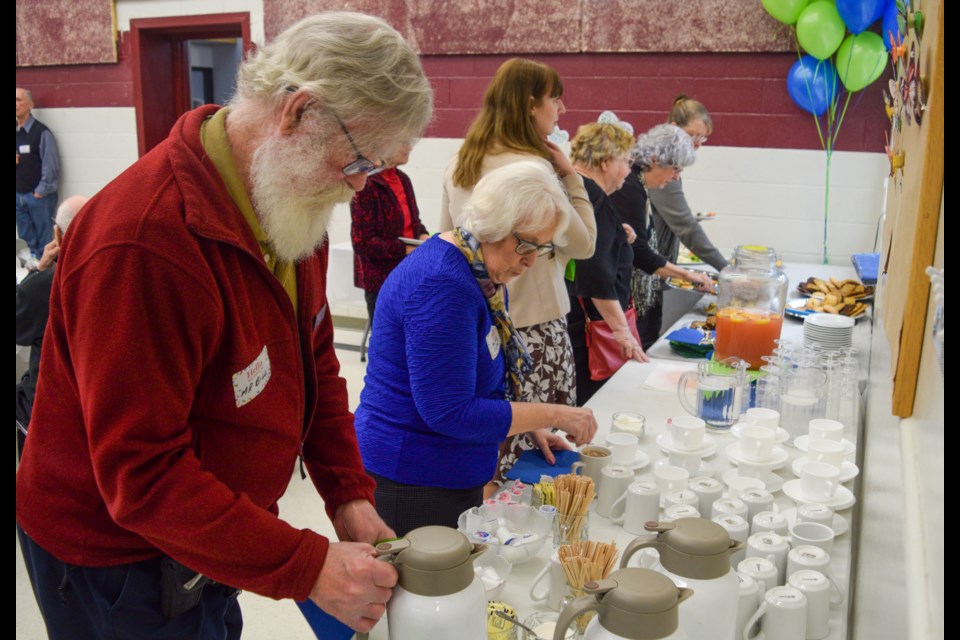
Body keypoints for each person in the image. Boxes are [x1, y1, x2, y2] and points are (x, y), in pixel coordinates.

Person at [15, 12, 433, 639]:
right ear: (296, 114)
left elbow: (313, 357)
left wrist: (347, 491)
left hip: (211, 534)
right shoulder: (143, 242)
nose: (356, 188)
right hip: (114, 557)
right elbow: (143, 476)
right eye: (359, 162)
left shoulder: (288, 201)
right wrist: (307, 566)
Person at [356, 161, 598, 536]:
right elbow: (450, 411)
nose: (532, 261)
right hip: (413, 478)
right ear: (494, 225)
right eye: (526, 246)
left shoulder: (476, 266)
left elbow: (472, 374)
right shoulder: (443, 285)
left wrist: (530, 425)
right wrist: (557, 414)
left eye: (542, 248)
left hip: (443, 468)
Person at [439, 58, 596, 489]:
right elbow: (583, 244)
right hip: (537, 333)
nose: (561, 108)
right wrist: (572, 177)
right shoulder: (537, 168)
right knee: (545, 468)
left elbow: (444, 241)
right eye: (554, 98)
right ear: (531, 104)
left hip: (482, 331)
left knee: (491, 461)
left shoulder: (460, 161)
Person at [609, 123, 714, 350]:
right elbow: (640, 252)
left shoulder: (639, 185)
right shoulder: (630, 187)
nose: (676, 178)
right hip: (626, 299)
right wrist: (686, 274)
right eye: (675, 169)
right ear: (656, 159)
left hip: (641, 296)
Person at [565, 122, 648, 406]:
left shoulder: (575, 188)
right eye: (626, 162)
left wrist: (616, 234)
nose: (628, 171)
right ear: (605, 162)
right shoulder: (592, 195)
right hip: (585, 335)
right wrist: (622, 334)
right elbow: (595, 272)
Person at [16, 195, 88, 459]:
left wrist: (39, 270)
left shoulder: (46, 285)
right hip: (101, 408)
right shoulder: (123, 274)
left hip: (52, 411)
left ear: (57, 234)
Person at [350, 142, 429, 328]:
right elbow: (362, 242)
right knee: (387, 344)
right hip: (382, 281)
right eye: (402, 142)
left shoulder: (403, 179)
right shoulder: (366, 184)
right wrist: (406, 249)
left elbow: (414, 221)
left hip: (409, 273)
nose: (409, 147)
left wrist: (423, 235)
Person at [649, 95, 729, 271]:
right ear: (674, 128)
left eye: (702, 138)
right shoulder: (661, 165)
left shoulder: (668, 162)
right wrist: (727, 269)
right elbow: (685, 226)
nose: (698, 144)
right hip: (649, 267)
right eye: (693, 135)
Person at [16, 87, 60, 263]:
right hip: (18, 196)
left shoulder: (41, 132)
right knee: (26, 243)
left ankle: (47, 280)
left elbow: (51, 166)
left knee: (45, 242)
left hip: (38, 197)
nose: (15, 105)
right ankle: (32, 277)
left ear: (30, 105)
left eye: (19, 100)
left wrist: (40, 192)